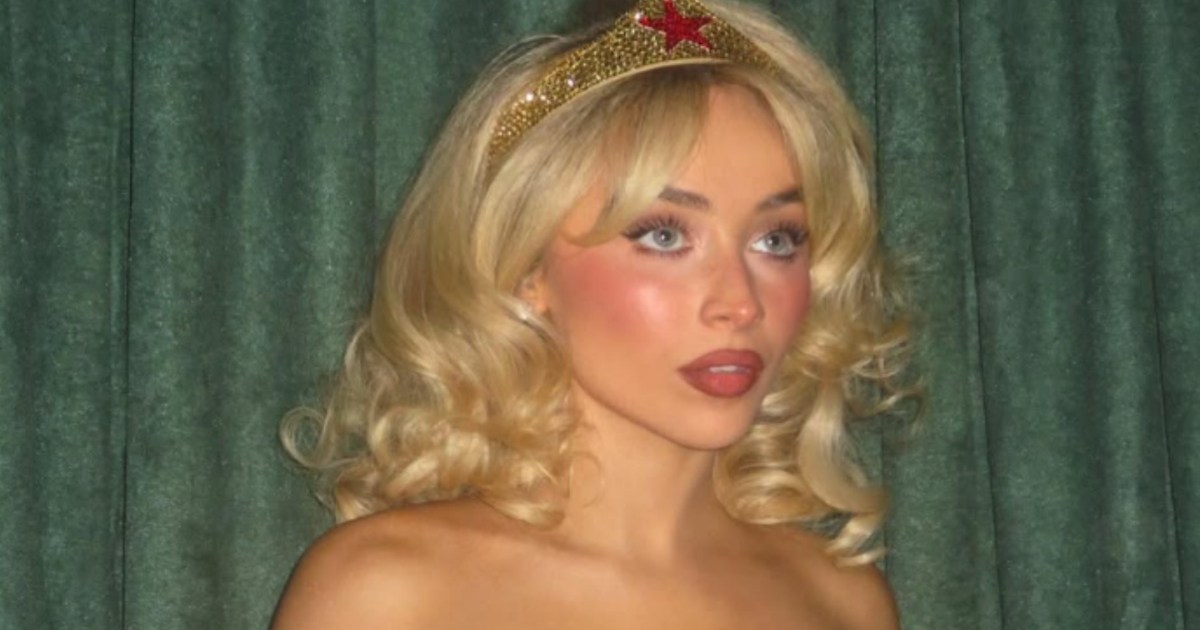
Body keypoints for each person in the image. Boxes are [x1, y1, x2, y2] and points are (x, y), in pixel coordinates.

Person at [272, 0, 914, 627]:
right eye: (664, 235)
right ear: (528, 269)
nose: (740, 302)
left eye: (776, 239)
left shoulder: (843, 603)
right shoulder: (386, 594)